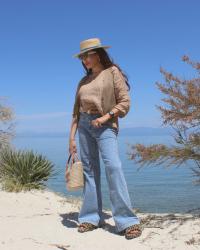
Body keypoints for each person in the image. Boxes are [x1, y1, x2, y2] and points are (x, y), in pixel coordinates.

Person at [68, 38, 143, 240]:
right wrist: (71, 138)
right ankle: (91, 217)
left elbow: (125, 102)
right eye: (82, 57)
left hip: (106, 125)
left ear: (98, 54)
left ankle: (127, 221)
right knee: (89, 171)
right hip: (84, 126)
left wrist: (106, 117)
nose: (84, 60)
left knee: (114, 167)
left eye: (87, 55)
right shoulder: (83, 81)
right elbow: (75, 112)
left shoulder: (112, 73)